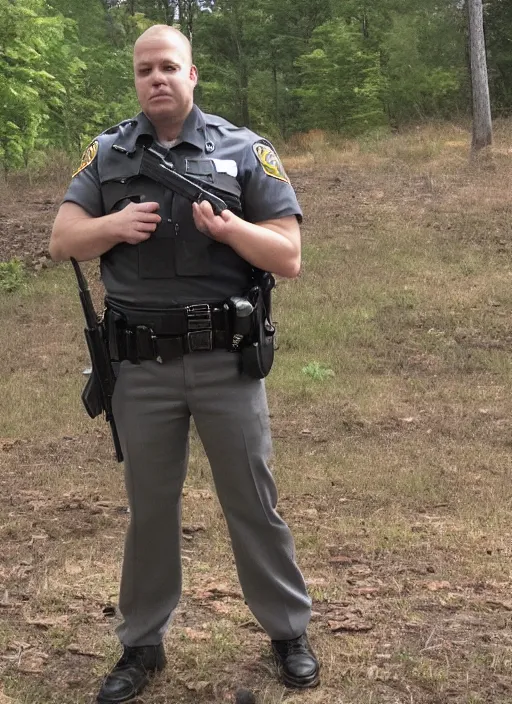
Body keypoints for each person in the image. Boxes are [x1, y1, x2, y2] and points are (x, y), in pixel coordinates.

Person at [49, 24, 319, 704]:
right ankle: (142, 644)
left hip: (226, 362)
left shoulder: (245, 149)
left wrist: (231, 231)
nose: (157, 79)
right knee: (150, 508)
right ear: (136, 79)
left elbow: (287, 255)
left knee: (252, 503)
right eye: (145, 69)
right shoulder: (107, 153)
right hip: (141, 367)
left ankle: (288, 630)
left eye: (169, 66)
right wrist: (112, 227)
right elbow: (61, 240)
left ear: (193, 75)